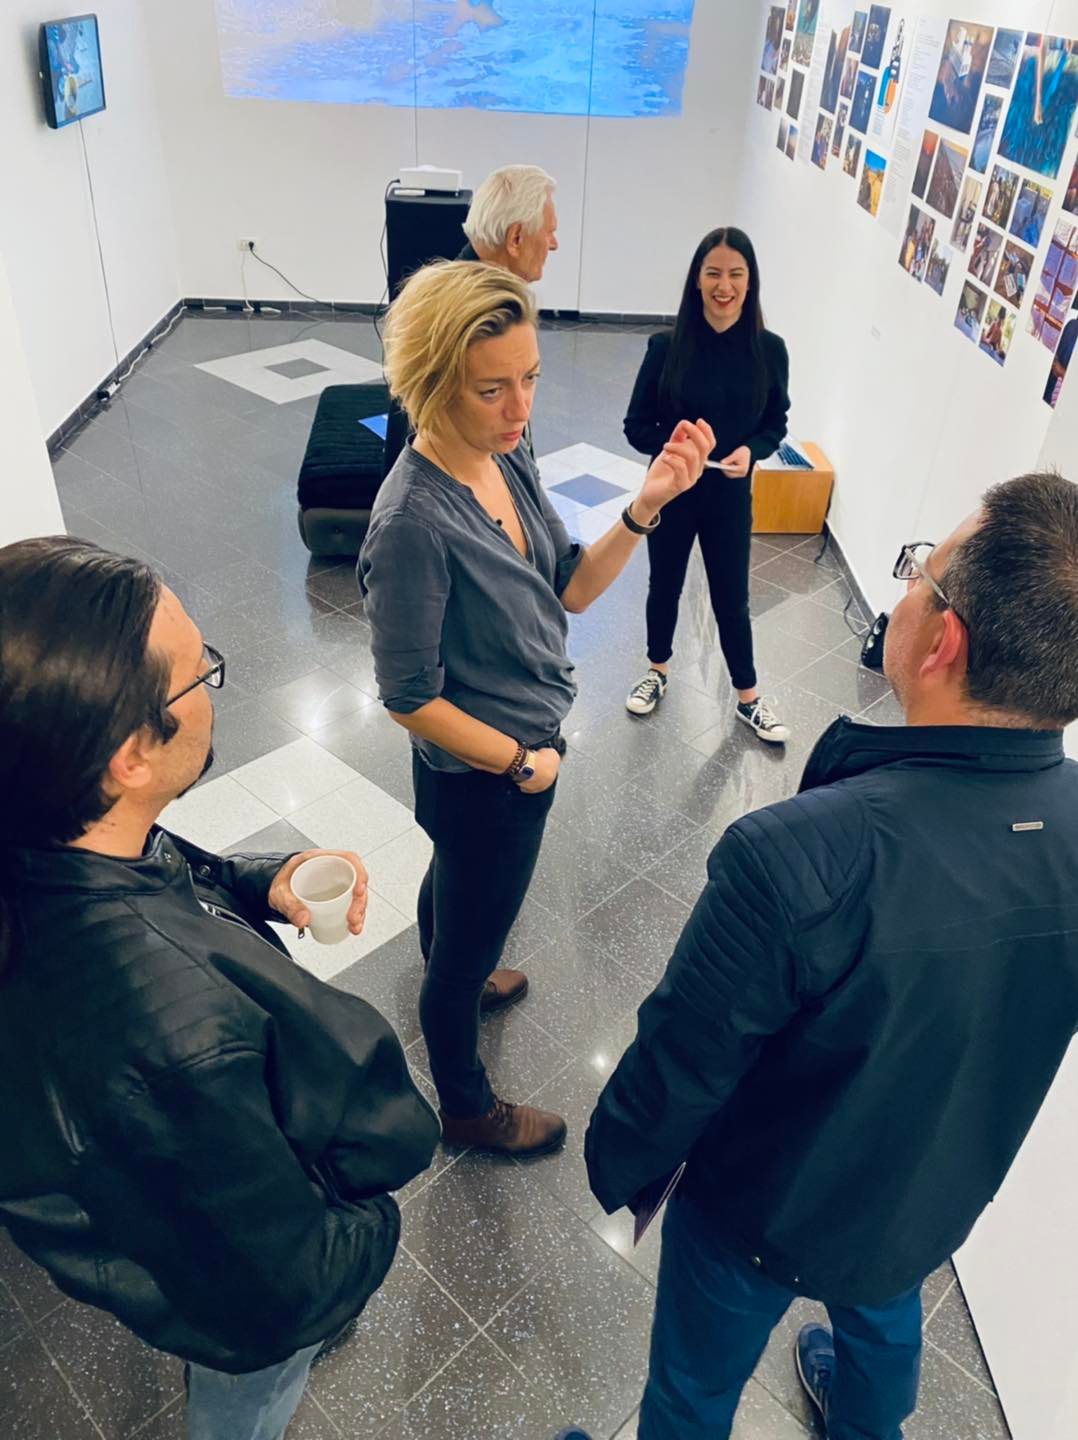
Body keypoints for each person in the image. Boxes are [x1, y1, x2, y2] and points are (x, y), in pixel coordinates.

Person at [582, 470, 1078, 1440]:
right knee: (883, 1315)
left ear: (942, 642)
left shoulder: (794, 857)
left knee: (690, 1393)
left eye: (920, 574)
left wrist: (620, 1161)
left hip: (760, 1211)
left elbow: (683, 1061)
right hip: (926, 1196)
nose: (906, 588)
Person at [0, 537, 440, 1440]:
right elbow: (283, 1284)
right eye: (199, 673)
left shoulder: (41, 827)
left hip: (165, 1196)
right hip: (250, 1294)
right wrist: (367, 1227)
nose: (210, 688)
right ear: (130, 756)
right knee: (251, 1392)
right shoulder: (172, 1041)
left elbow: (154, 865)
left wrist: (261, 880)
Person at [359, 260, 713, 1156]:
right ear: (432, 383)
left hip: (511, 754)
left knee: (458, 883)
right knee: (465, 940)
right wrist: (523, 765)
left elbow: (569, 586)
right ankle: (466, 1105)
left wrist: (646, 506)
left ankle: (463, 967)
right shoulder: (411, 524)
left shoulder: (503, 454)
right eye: (493, 389)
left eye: (530, 379)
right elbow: (407, 697)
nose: (520, 408)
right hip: (492, 769)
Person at [622, 227, 791, 743]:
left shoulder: (770, 350)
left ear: (750, 281)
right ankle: (657, 670)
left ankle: (748, 697)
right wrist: (677, 451)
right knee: (664, 585)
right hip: (671, 493)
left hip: (729, 496)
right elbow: (635, 426)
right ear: (697, 280)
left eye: (736, 274)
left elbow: (776, 423)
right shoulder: (665, 347)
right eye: (713, 273)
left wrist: (753, 451)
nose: (724, 286)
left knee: (731, 597)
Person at [381, 164, 558, 477]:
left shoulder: (473, 300)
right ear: (516, 237)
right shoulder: (453, 319)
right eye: (549, 232)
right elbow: (421, 450)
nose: (553, 244)